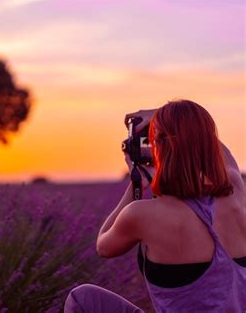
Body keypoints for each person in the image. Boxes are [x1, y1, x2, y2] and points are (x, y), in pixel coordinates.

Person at [64, 100, 246, 312]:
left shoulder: (143, 214)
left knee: (82, 297)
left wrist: (136, 186)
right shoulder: (235, 194)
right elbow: (222, 155)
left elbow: (103, 246)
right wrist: (169, 121)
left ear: (160, 147)